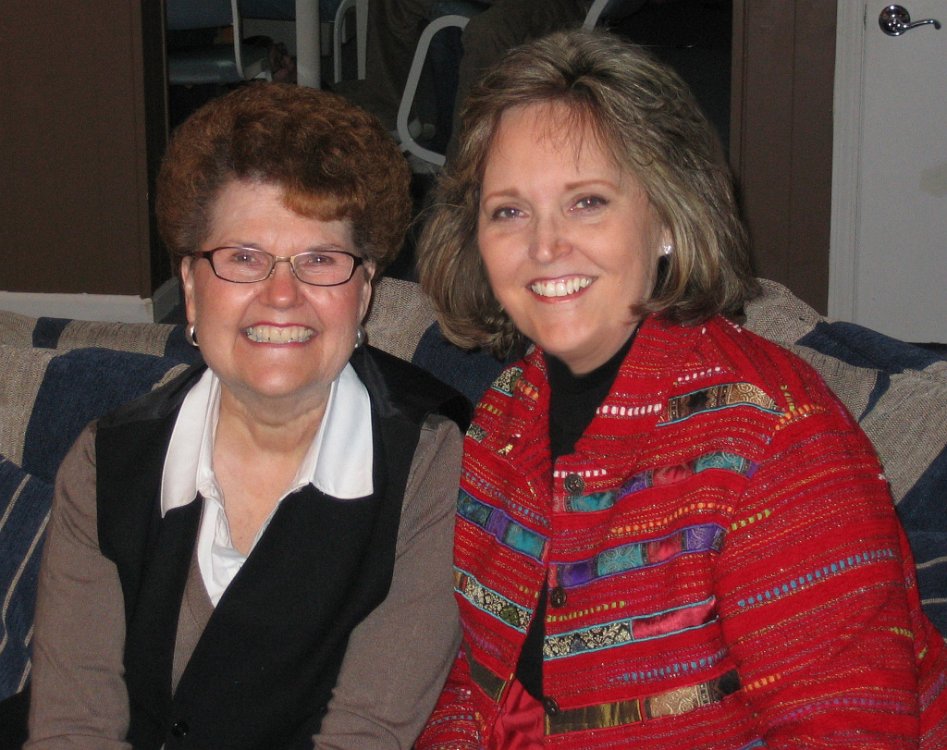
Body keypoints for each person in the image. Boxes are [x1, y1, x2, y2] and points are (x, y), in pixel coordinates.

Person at [414, 29, 947, 748]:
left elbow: (846, 730)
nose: (543, 246)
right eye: (509, 210)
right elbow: (476, 684)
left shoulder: (772, 435)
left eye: (587, 202)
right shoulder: (505, 415)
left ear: (667, 218)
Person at [26, 83, 468, 750]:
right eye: (243, 258)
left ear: (364, 293)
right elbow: (72, 729)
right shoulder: (105, 462)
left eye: (320, 260)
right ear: (191, 287)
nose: (281, 294)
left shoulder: (430, 467)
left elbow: (367, 734)